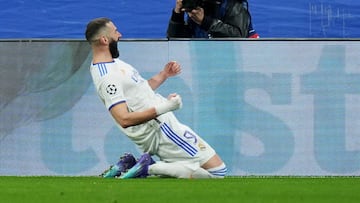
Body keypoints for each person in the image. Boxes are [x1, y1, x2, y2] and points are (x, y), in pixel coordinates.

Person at [85, 17, 227, 179]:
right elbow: (123, 119)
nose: (120, 35)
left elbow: (138, 92)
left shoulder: (113, 63)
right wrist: (168, 106)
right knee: (217, 173)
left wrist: (164, 75)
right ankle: (150, 167)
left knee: (182, 172)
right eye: (115, 31)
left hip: (162, 124)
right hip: (160, 130)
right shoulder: (107, 77)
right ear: (104, 39)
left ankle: (134, 164)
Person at [167, 0, 259, 38]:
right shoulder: (197, 6)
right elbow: (174, 41)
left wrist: (205, 22)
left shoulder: (233, 3)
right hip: (203, 63)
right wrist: (177, 16)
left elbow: (238, 36)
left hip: (234, 67)